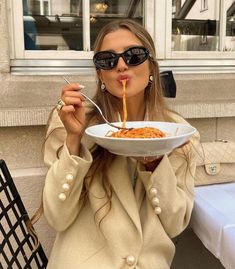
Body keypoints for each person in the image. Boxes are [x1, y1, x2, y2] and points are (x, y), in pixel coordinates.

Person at [42, 19, 199, 269]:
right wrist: (73, 138)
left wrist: (155, 159)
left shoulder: (178, 133)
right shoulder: (72, 122)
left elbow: (175, 223)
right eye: (108, 59)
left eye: (134, 55)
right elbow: (57, 218)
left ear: (151, 68)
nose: (122, 65)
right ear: (100, 74)